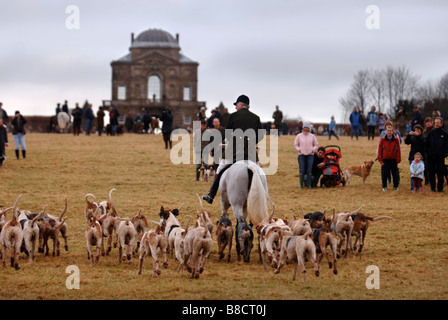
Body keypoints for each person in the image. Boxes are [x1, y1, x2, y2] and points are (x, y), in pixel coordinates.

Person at [202, 94, 263, 204]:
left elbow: (228, 134)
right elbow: (261, 135)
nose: (235, 107)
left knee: (220, 169)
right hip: (250, 151)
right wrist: (251, 141)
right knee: (260, 174)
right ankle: (265, 197)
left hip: (233, 151)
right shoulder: (256, 118)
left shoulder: (233, 116)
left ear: (241, 104)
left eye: (236, 105)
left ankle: (211, 195)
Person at [425, 117, 448, 192]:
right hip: (431, 156)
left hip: (440, 157)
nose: (436, 124)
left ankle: (440, 188)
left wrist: (444, 154)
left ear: (441, 124)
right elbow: (427, 144)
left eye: (438, 123)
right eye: (435, 123)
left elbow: (446, 145)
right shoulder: (431, 133)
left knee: (440, 172)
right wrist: (428, 153)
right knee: (431, 172)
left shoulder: (444, 134)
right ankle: (432, 188)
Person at [294, 122, 319, 189]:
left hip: (310, 155)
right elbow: (295, 145)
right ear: (303, 128)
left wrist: (312, 150)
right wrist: (299, 150)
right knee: (302, 170)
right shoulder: (299, 136)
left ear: (309, 129)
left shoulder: (312, 136)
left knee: (309, 170)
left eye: (307, 127)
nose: (305, 129)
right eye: (304, 127)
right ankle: (301, 185)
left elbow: (316, 145)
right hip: (301, 155)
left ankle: (309, 184)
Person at [378, 125, 401, 191]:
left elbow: (398, 150)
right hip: (385, 159)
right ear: (386, 131)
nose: (389, 132)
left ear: (392, 131)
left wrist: (398, 159)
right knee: (385, 173)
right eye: (388, 131)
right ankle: (384, 186)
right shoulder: (383, 140)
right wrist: (380, 159)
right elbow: (380, 150)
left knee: (395, 173)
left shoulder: (396, 140)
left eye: (390, 131)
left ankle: (396, 186)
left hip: (393, 159)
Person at [404, 124, 425, 190]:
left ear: (421, 131)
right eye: (415, 130)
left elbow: (424, 143)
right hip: (412, 157)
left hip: (421, 158)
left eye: (418, 130)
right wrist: (409, 135)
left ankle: (419, 186)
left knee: (419, 173)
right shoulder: (413, 137)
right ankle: (413, 187)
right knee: (413, 173)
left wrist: (418, 136)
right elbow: (407, 142)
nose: (416, 131)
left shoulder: (423, 137)